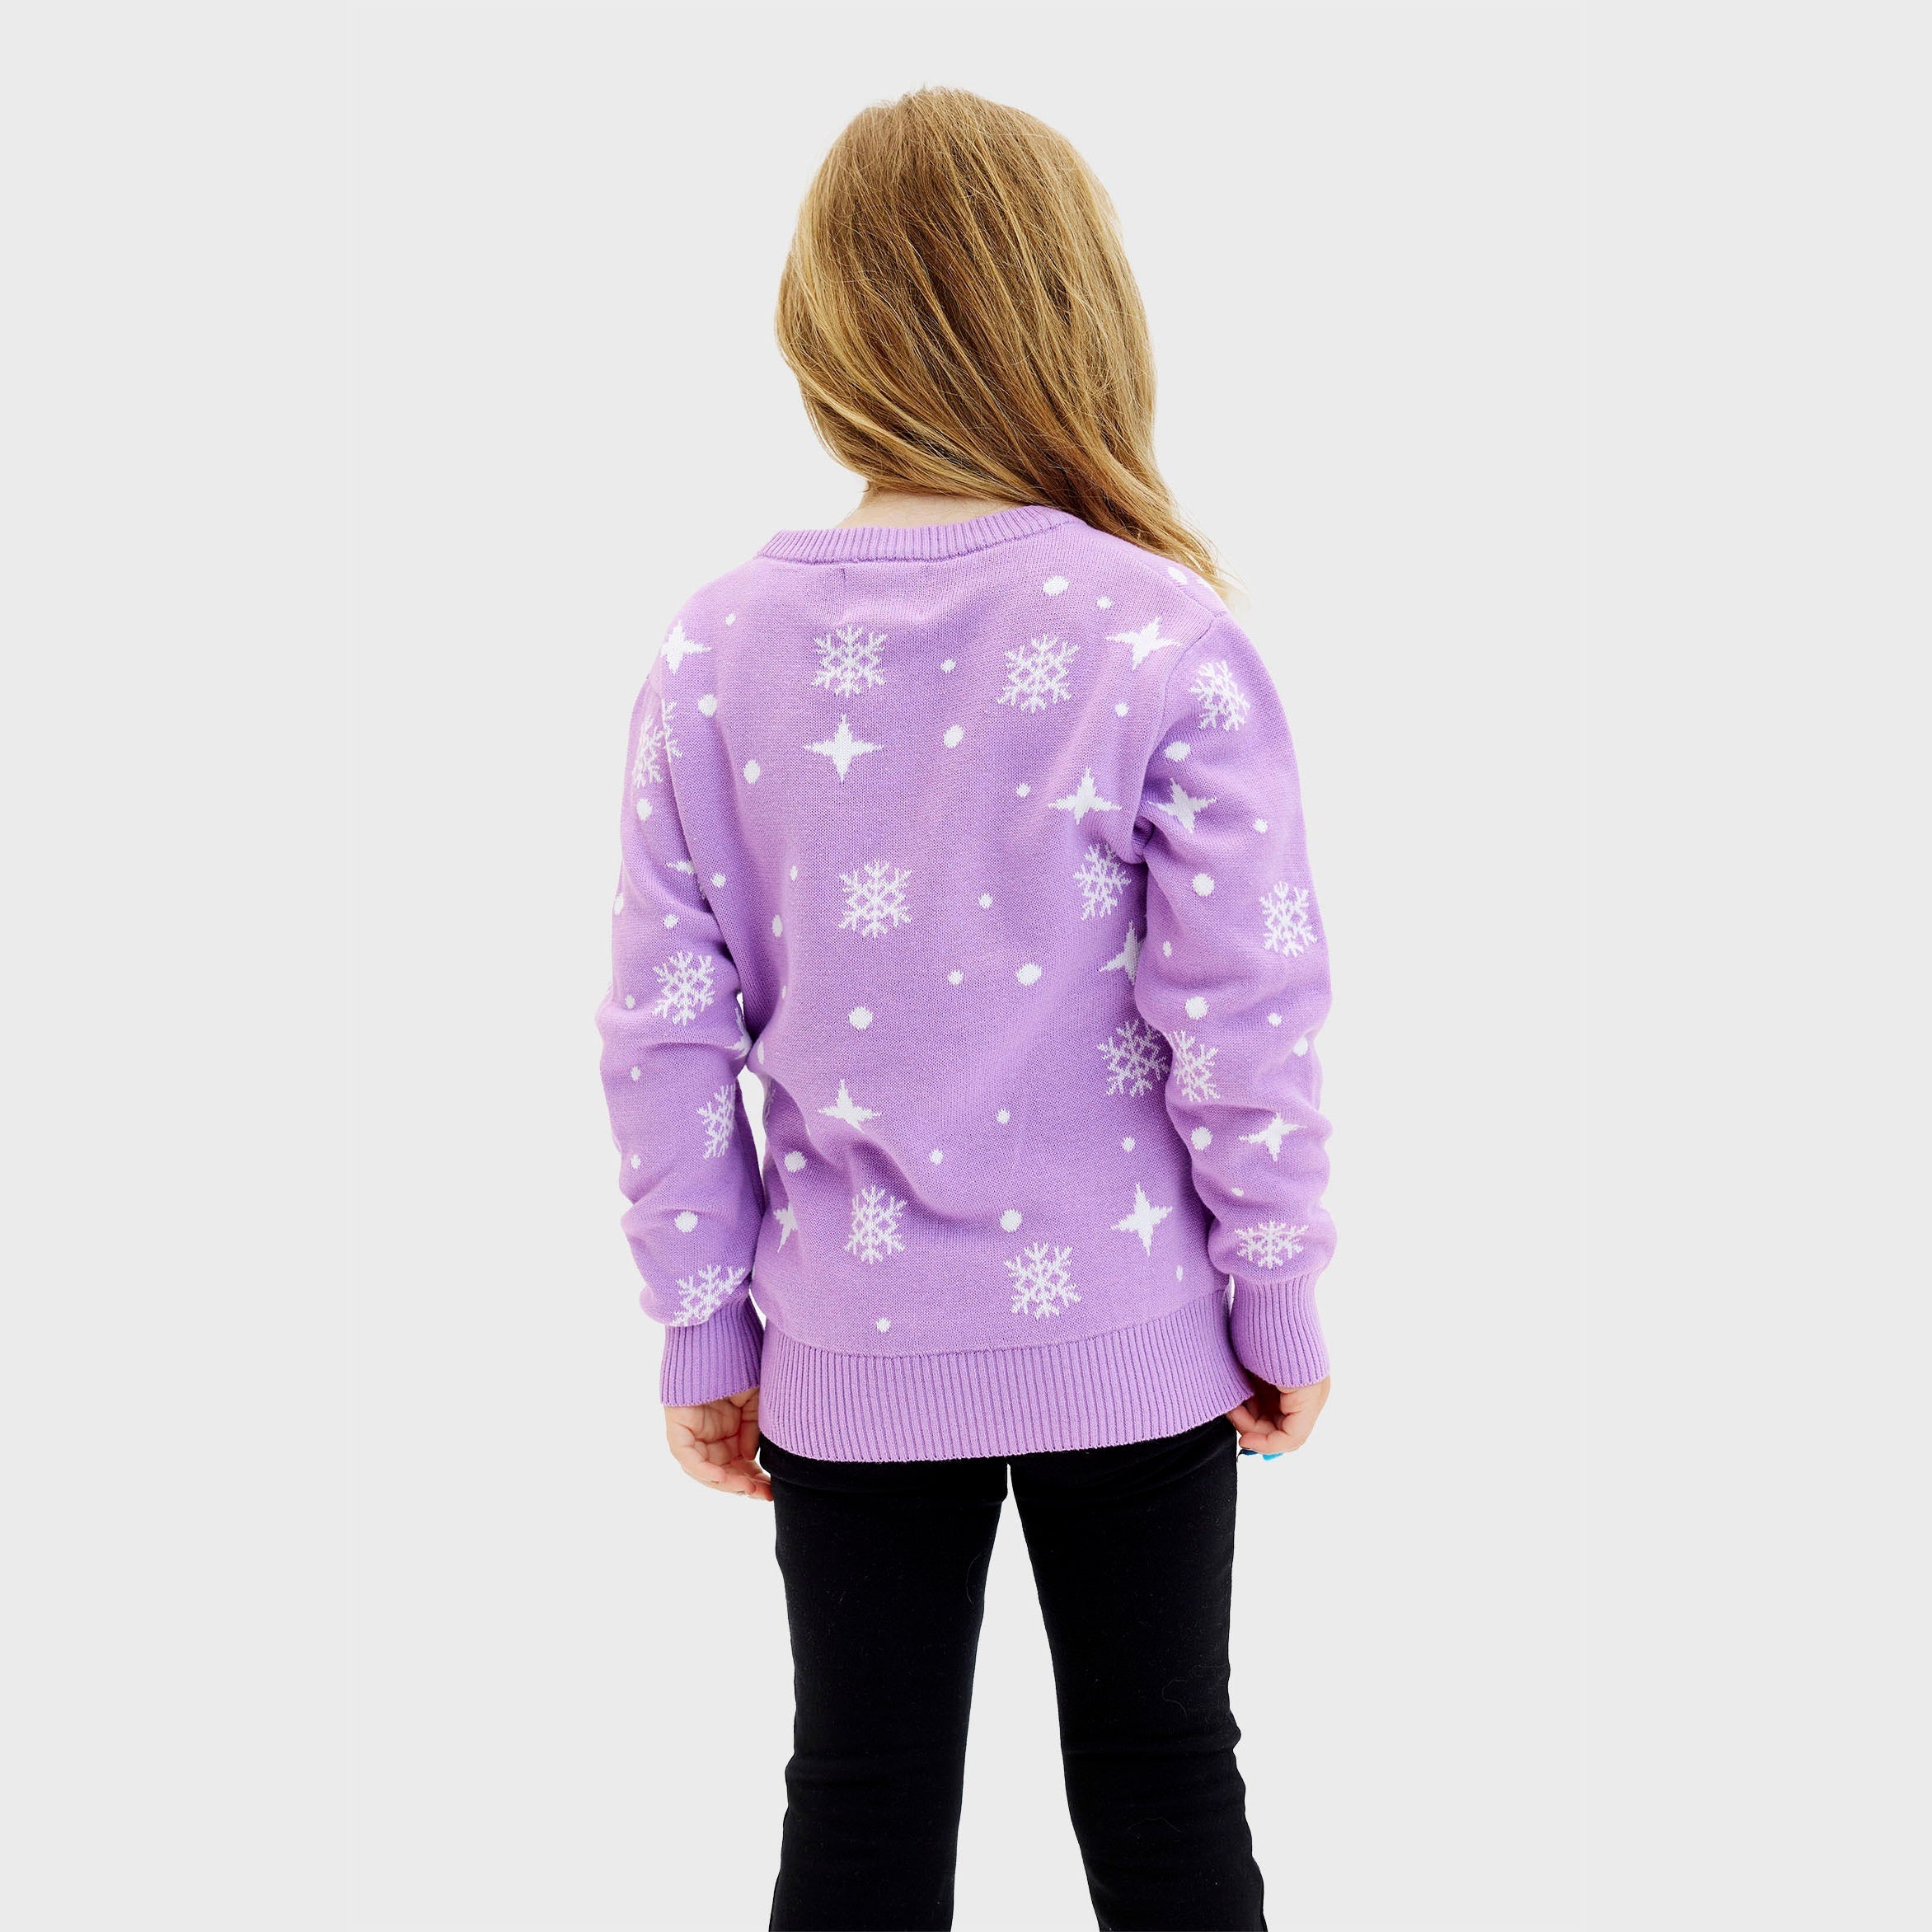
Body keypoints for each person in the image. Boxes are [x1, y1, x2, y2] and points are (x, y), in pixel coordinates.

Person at [594, 86, 1335, 1932]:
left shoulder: (715, 646)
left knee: (855, 1804)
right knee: (1166, 1781)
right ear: (1076, 313)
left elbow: (662, 1028)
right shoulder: (1157, 632)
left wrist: (704, 1325)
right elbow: (1245, 1011)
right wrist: (1275, 1290)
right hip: (1136, 1326)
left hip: (845, 1340)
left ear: (821, 326)